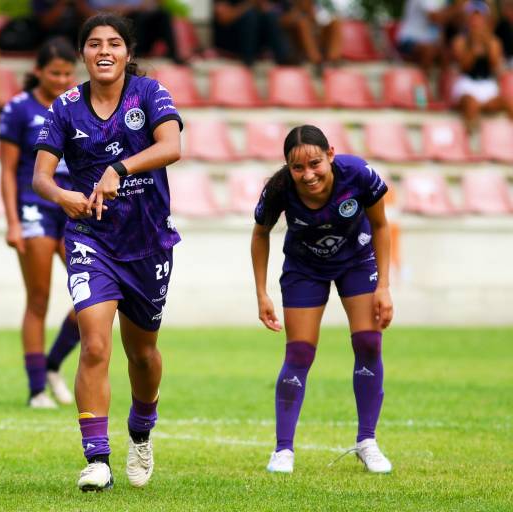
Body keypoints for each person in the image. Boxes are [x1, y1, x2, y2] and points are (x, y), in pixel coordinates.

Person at [32, 13, 182, 491]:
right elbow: (40, 177)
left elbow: (172, 146)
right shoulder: (65, 107)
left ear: (127, 53)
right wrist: (63, 196)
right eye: (94, 43)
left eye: (114, 43)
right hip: (90, 238)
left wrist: (119, 168)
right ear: (83, 54)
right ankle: (96, 458)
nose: (104, 51)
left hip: (147, 241)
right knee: (94, 343)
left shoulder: (150, 93)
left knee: (143, 353)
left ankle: (141, 431)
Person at [251, 125, 394, 474]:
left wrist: (384, 286)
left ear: (330, 154)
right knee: (299, 353)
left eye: (315, 163)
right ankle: (283, 450)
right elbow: (260, 234)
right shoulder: (279, 189)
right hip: (304, 268)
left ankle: (367, 441)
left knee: (368, 344)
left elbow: (380, 226)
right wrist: (262, 293)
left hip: (357, 261)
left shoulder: (357, 174)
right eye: (297, 167)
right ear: (287, 166)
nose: (308, 174)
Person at [0, 38, 82, 409]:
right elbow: (7, 170)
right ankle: (36, 390)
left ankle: (52, 364)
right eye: (55, 73)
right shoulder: (18, 109)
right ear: (38, 71)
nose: (62, 80)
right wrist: (12, 222)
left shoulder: (78, 105)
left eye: (67, 73)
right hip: (35, 208)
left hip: (73, 206)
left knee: (91, 296)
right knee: (38, 298)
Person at [451, 0, 513, 132]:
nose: (475, 21)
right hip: (466, 84)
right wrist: (474, 49)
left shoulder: (494, 42)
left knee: (509, 104)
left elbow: (495, 66)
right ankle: (470, 138)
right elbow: (463, 67)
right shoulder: (460, 41)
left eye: (479, 17)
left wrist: (486, 43)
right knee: (471, 104)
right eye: (473, 17)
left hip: (487, 85)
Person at [212, 0, 293, 66]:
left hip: (258, 45)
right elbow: (224, 18)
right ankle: (248, 61)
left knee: (269, 17)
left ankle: (283, 59)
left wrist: (265, 8)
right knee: (250, 16)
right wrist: (249, 4)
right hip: (231, 42)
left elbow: (289, 16)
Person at [276, 0, 342, 70]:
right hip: (297, 47)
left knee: (335, 23)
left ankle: (332, 61)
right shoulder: (286, 6)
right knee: (303, 23)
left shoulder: (315, 9)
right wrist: (299, 15)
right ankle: (317, 62)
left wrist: (312, 18)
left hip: (316, 37)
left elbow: (319, 22)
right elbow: (279, 21)